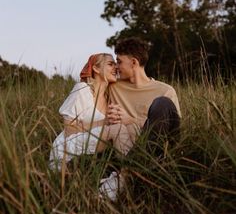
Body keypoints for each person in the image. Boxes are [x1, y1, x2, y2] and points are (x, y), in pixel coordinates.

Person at [98, 37, 181, 200]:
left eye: (119, 62)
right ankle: (129, 178)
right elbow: (92, 85)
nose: (116, 67)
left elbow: (172, 135)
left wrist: (130, 119)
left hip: (159, 155)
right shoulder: (114, 86)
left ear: (134, 62)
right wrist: (106, 118)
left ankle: (125, 175)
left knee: (161, 104)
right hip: (125, 149)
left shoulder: (165, 90)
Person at [49, 53, 135, 171]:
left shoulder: (109, 98)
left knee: (128, 128)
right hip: (69, 146)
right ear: (96, 68)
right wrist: (105, 122)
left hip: (94, 145)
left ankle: (129, 170)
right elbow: (69, 128)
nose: (116, 68)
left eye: (116, 64)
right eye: (110, 64)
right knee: (118, 129)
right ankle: (128, 172)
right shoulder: (82, 89)